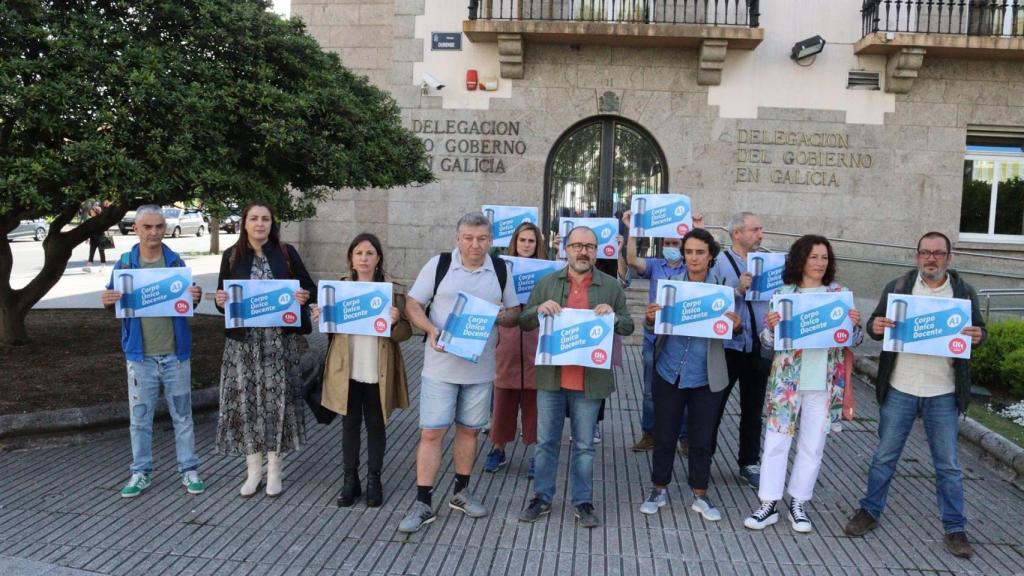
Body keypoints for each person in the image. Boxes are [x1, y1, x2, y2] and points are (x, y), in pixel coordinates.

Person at [844, 232, 986, 559]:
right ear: (916, 256)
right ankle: (869, 510)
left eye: (938, 253)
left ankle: (954, 527)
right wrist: (875, 326)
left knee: (948, 465)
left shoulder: (963, 293)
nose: (931, 259)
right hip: (901, 387)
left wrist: (978, 336)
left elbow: (978, 332)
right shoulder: (898, 288)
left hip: (943, 391)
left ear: (949, 258)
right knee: (884, 456)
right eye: (925, 253)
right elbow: (874, 325)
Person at [398, 212, 521, 533]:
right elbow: (412, 303)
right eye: (468, 238)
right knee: (431, 433)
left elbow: (514, 313)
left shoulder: (500, 269)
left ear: (490, 240)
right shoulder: (439, 265)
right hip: (439, 367)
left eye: (481, 238)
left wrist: (497, 316)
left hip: (480, 370)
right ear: (457, 239)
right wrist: (430, 328)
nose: (475, 244)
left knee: (468, 432)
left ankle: (461, 493)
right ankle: (423, 501)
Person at [517, 225, 635, 529]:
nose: (583, 251)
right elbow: (524, 320)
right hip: (551, 379)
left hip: (590, 379)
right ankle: (541, 497)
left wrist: (614, 316)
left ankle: (582, 501)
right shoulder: (547, 283)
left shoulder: (610, 287)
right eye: (577, 245)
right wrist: (539, 309)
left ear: (597, 251)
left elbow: (628, 326)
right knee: (546, 443)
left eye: (590, 246)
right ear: (565, 249)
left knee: (584, 445)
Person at [743, 235, 862, 534]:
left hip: (823, 383)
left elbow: (854, 341)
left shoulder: (839, 294)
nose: (820, 263)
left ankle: (798, 502)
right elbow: (768, 344)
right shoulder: (784, 295)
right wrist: (769, 328)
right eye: (814, 257)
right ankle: (768, 503)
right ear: (800, 260)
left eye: (824, 257)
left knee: (812, 445)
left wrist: (855, 325)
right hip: (787, 383)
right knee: (775, 443)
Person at [100, 205, 204, 498]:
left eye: (159, 226)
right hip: (140, 358)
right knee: (140, 419)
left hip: (176, 355)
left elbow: (186, 304)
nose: (154, 232)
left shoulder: (175, 263)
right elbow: (113, 303)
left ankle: (189, 469)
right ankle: (140, 472)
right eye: (148, 227)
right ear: (136, 229)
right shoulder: (125, 265)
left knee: (183, 417)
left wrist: (194, 297)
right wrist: (108, 300)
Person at [214, 202, 315, 498]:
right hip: (243, 346)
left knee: (276, 404)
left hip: (277, 343)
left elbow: (309, 289)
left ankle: (275, 470)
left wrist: (303, 295)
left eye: (266, 219)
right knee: (248, 405)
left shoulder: (286, 253)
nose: (260, 224)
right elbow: (225, 302)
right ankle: (252, 470)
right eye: (254, 219)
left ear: (272, 224)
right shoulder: (231, 256)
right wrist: (221, 301)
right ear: (244, 223)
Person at [638, 228, 741, 520]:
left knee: (701, 437)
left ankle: (700, 493)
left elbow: (731, 333)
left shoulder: (722, 288)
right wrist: (649, 320)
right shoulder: (670, 286)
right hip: (669, 370)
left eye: (700, 252)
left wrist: (736, 326)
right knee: (665, 433)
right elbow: (653, 328)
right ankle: (658, 489)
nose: (693, 258)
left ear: (711, 256)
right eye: (689, 252)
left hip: (706, 376)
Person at [314, 233, 411, 508]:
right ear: (351, 259)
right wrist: (322, 317)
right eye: (359, 253)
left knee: (376, 423)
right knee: (349, 424)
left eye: (370, 253)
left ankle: (374, 479)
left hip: (377, 366)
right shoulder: (338, 289)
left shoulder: (392, 292)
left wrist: (395, 321)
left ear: (378, 258)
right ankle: (350, 479)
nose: (364, 258)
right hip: (348, 366)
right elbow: (331, 331)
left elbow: (405, 333)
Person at [622, 210, 695, 453]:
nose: (671, 246)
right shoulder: (654, 265)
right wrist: (632, 229)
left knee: (684, 386)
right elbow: (632, 260)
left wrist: (696, 228)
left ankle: (685, 436)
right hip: (655, 337)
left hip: (682, 339)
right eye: (667, 243)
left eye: (675, 243)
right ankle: (650, 433)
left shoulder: (691, 267)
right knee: (650, 388)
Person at [709, 212, 769, 489]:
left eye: (760, 230)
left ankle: (749, 462)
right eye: (755, 230)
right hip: (729, 346)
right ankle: (703, 456)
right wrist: (737, 289)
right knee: (714, 405)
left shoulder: (767, 263)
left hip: (758, 346)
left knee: (753, 409)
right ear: (737, 233)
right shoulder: (719, 262)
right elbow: (710, 299)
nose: (760, 235)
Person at [484, 222, 546, 476]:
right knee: (502, 401)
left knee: (535, 404)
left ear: (537, 244)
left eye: (531, 241)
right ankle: (497, 449)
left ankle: (537, 455)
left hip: (536, 342)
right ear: (515, 242)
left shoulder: (548, 272)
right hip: (507, 343)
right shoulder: (500, 270)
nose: (527, 245)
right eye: (522, 240)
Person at [84, 203, 108, 273]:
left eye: (92, 212)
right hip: (93, 238)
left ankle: (103, 266)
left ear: (96, 212)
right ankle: (89, 266)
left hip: (100, 237)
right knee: (91, 252)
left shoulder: (101, 220)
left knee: (101, 252)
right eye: (90, 212)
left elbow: (105, 229)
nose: (90, 213)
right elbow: (89, 230)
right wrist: (87, 238)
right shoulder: (91, 220)